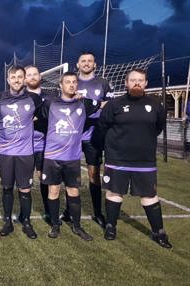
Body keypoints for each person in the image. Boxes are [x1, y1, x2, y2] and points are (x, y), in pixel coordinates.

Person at [93, 68, 172, 248]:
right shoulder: (115, 104)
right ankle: (111, 227)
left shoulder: (155, 105)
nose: (137, 83)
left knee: (149, 195)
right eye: (133, 80)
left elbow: (158, 127)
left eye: (140, 80)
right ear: (126, 83)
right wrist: (106, 149)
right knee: (114, 193)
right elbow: (101, 127)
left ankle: (158, 232)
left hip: (145, 161)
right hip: (117, 159)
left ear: (145, 83)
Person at [42, 71, 99, 241]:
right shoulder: (50, 103)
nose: (72, 85)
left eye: (74, 82)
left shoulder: (85, 104)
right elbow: (37, 116)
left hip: (72, 157)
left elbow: (103, 105)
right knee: (53, 190)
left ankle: (77, 226)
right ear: (60, 85)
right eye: (68, 82)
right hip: (52, 156)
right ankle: (55, 224)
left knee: (73, 191)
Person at [61, 52, 114, 228]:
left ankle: (98, 213)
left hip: (94, 135)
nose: (86, 63)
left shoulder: (103, 83)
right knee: (71, 174)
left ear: (95, 64)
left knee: (94, 174)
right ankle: (69, 211)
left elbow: (110, 106)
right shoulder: (72, 81)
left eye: (90, 61)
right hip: (73, 135)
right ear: (77, 64)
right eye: (83, 61)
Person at [0, 65, 43, 239]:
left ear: (24, 80)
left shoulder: (34, 98)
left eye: (19, 77)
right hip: (5, 153)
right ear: (8, 80)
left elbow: (44, 115)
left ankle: (27, 222)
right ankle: (7, 222)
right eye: (13, 77)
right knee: (7, 187)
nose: (16, 80)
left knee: (25, 189)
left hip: (25, 153)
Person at [24, 65, 53, 225]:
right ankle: (24, 213)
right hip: (25, 146)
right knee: (25, 180)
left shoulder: (50, 96)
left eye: (35, 74)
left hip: (44, 144)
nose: (33, 77)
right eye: (29, 74)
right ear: (25, 78)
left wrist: (38, 118)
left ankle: (49, 211)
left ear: (40, 76)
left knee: (44, 178)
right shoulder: (20, 97)